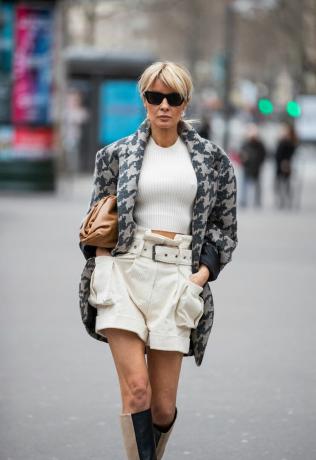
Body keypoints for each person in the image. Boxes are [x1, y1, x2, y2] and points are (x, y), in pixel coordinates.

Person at [79, 61, 238, 460]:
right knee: (137, 391)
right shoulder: (115, 155)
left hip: (178, 278)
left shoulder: (212, 161)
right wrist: (101, 265)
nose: (163, 105)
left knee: (162, 406)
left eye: (173, 98)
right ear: (144, 100)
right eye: (154, 97)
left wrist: (199, 277)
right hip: (123, 271)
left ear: (185, 103)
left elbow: (225, 229)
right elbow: (98, 216)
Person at [239, 123, 267, 208]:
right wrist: (243, 159)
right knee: (244, 184)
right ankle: (243, 200)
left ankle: (257, 201)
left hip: (256, 167)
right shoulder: (245, 143)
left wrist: (259, 163)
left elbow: (263, 154)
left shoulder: (260, 144)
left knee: (257, 185)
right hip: (247, 167)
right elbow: (241, 154)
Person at [274, 122, 298, 209]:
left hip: (285, 165)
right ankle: (281, 201)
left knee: (286, 184)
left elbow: (288, 155)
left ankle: (286, 201)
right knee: (280, 184)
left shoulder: (289, 142)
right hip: (279, 166)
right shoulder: (283, 141)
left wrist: (286, 162)